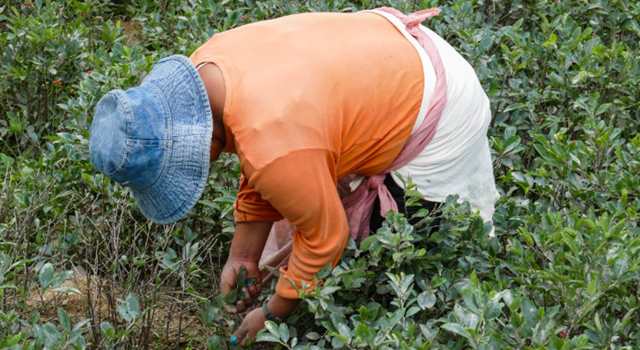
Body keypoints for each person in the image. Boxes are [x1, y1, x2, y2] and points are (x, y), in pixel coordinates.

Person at [89, 6, 498, 345]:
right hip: (389, 52)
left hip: (442, 107)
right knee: (296, 190)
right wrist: (243, 255)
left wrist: (273, 312)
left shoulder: (275, 142)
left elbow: (326, 237)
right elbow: (254, 143)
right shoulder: (205, 70)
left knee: (393, 249)